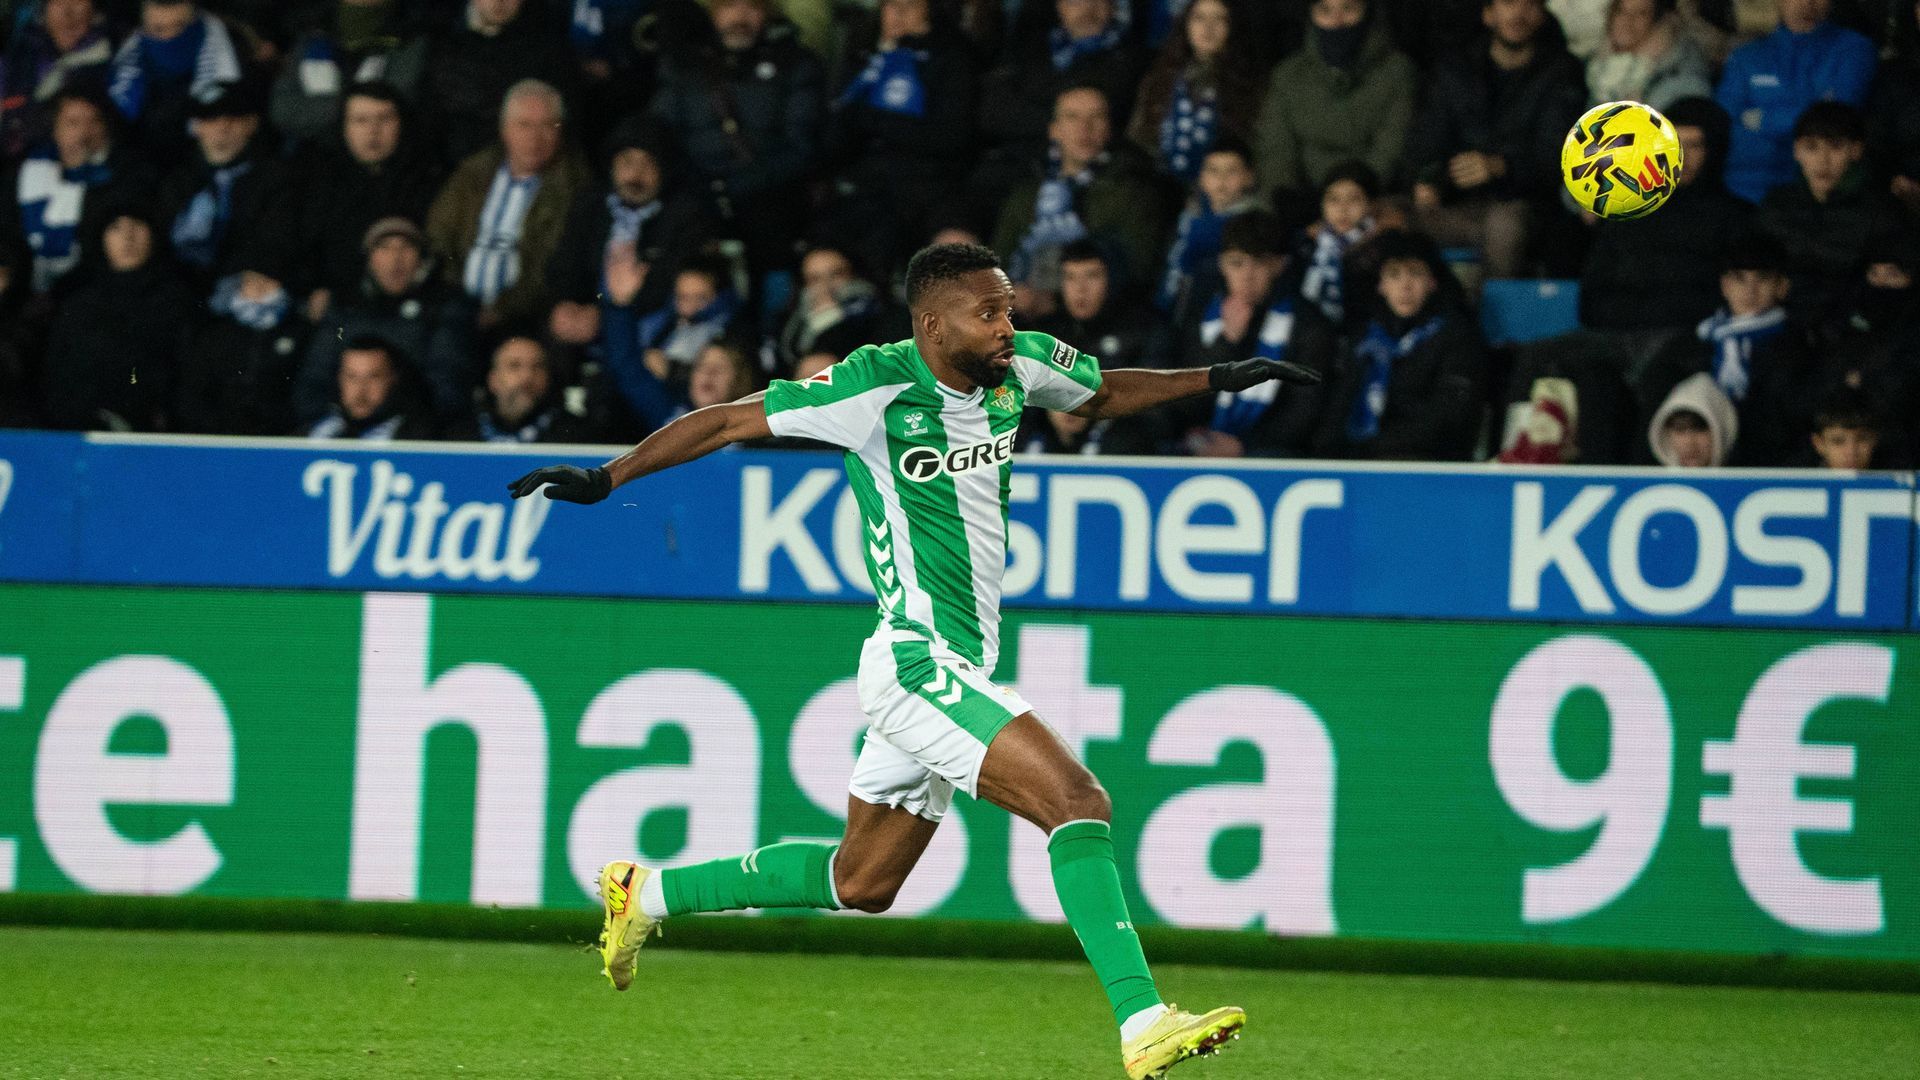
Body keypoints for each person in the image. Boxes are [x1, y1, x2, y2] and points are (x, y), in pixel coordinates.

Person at [507, 240, 1323, 1080]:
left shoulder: (1020, 366)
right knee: (1077, 802)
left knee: (863, 881)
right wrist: (609, 477)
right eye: (989, 313)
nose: (1010, 326)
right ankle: (1143, 1020)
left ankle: (645, 893)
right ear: (933, 326)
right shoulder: (874, 385)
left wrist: (1219, 377)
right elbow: (725, 419)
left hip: (958, 663)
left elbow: (1105, 392)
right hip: (915, 662)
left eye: (1009, 308)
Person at [1405, 0, 1588, 279]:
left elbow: (1557, 155)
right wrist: (1428, 178)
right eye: (1509, 3)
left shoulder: (1562, 73)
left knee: (1504, 225)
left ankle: (1494, 320)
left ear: (1541, 15)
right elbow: (1426, 138)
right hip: (1455, 202)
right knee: (1381, 216)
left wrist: (1501, 166)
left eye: (1530, 5)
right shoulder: (1456, 68)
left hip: (1526, 207)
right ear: (1488, 14)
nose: (1518, 13)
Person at [648, 0, 824, 277]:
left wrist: (742, 183)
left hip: (767, 191)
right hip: (695, 192)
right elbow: (661, 135)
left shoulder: (796, 63)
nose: (740, 17)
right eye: (729, 5)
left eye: (752, 7)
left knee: (775, 236)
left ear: (767, 13)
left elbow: (802, 145)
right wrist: (699, 184)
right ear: (714, 12)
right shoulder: (684, 64)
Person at [819, 0, 978, 279]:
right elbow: (834, 136)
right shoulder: (862, 57)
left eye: (909, 6)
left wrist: (874, 120)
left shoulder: (952, 57)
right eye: (892, 6)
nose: (898, 15)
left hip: (930, 184)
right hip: (865, 182)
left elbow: (949, 137)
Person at [426, 78, 590, 330]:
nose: (536, 138)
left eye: (547, 126)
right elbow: (439, 236)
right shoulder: (474, 173)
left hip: (526, 315)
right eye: (524, 125)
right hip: (458, 304)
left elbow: (551, 266)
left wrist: (503, 309)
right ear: (504, 129)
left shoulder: (575, 186)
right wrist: (455, 295)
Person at [1168, 210, 1334, 457]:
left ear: (1279, 265)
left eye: (1259, 263)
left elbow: (1304, 411)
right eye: (1237, 263)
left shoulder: (1308, 325)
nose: (1247, 276)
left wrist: (1245, 447)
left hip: (1269, 454)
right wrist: (1226, 343)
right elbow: (1181, 402)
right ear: (1222, 265)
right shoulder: (1200, 314)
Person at [1578, 96, 1750, 332]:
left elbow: (1732, 302)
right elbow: (1592, 298)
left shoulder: (1737, 218)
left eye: (1694, 145)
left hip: (1691, 344)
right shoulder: (1627, 211)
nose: (1681, 156)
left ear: (1715, 150)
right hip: (1618, 340)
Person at [992, 85, 1165, 319]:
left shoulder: (1134, 192)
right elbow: (996, 262)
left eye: (1096, 117)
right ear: (1054, 130)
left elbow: (1137, 271)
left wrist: (1057, 302)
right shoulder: (1026, 195)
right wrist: (1012, 296)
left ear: (1109, 128)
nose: (1085, 128)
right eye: (1072, 117)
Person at [1314, 229, 1488, 459]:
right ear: (1381, 286)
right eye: (1394, 275)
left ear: (1432, 282)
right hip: (1357, 460)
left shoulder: (1457, 335)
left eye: (1415, 274)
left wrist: (1374, 449)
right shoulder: (1364, 337)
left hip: (1424, 462)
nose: (1405, 286)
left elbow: (1449, 416)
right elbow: (1338, 405)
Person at [546, 114, 710, 348]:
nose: (635, 175)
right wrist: (566, 305)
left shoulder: (685, 216)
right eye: (627, 162)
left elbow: (672, 287)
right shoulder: (591, 206)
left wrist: (607, 315)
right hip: (584, 324)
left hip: (646, 330)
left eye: (647, 164)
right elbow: (564, 266)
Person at [298, 216, 477, 423]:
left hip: (413, 428)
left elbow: (447, 383)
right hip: (347, 424)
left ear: (422, 257)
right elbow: (314, 379)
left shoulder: (446, 305)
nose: (395, 259)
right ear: (370, 258)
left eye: (406, 247)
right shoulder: (344, 306)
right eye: (384, 247)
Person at [38, 200, 193, 431]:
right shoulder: (78, 304)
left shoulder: (180, 300)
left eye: (137, 226)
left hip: (155, 436)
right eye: (116, 228)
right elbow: (57, 379)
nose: (128, 238)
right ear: (101, 238)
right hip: (80, 434)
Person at [296, 81, 444, 314]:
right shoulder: (318, 178)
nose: (373, 131)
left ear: (401, 124)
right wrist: (316, 286)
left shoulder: (430, 178)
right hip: (338, 304)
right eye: (361, 120)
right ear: (344, 127)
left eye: (384, 119)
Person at [1254, 0, 1417, 203]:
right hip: (1302, 199)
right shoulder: (1289, 74)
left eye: (1348, 9)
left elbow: (1390, 148)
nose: (1336, 21)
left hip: (1370, 199)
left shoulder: (1396, 72)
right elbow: (1276, 148)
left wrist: (1346, 200)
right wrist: (1285, 199)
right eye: (1325, 10)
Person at [1715, 0, 1875, 205]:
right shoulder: (1747, 57)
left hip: (1819, 189)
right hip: (1743, 189)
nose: (1806, 3)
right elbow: (1724, 122)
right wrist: (1807, 109)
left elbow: (1835, 118)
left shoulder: (1854, 50)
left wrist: (1763, 120)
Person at [153, 77, 297, 294]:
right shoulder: (177, 182)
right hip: (180, 289)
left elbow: (274, 243)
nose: (222, 128)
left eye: (233, 118)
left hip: (249, 286)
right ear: (197, 127)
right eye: (211, 119)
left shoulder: (276, 179)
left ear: (252, 123)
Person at [1756, 101, 1898, 321]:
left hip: (1852, 327)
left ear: (1856, 150)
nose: (1823, 160)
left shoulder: (1881, 209)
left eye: (1835, 147)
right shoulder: (1777, 204)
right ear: (1796, 151)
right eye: (1811, 147)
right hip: (1778, 323)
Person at [11, 88, 152, 297]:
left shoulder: (127, 174)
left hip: (96, 289)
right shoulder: (27, 169)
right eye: (73, 123)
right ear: (55, 130)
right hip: (33, 288)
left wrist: (78, 174)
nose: (84, 133)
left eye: (94, 121)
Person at [421, 0, 578, 166]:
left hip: (522, 170)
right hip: (448, 168)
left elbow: (567, 123)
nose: (499, 2)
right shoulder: (446, 46)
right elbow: (427, 116)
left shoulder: (550, 52)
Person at [1126, 0, 1265, 183]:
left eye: (1219, 19)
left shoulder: (1251, 85)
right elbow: (1138, 140)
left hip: (1224, 191)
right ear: (1185, 25)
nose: (1208, 28)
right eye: (1199, 18)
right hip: (1159, 188)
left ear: (1233, 27)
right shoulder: (1158, 79)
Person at [173, 252, 308, 435]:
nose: (260, 290)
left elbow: (304, 390)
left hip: (278, 436)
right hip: (217, 437)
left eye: (268, 282)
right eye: (251, 283)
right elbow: (192, 394)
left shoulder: (299, 333)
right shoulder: (215, 335)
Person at [268, 0, 430, 149]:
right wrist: (352, 110)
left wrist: (317, 110)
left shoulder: (408, 39)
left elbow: (389, 105)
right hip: (314, 158)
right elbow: (283, 111)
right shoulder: (313, 36)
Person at [107, 0, 243, 168]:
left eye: (179, 26)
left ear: (195, 22)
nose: (169, 37)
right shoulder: (125, 69)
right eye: (159, 29)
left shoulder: (232, 58)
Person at [0, 0, 117, 162]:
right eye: (57, 2)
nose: (68, 13)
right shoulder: (17, 60)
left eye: (77, 2)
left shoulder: (114, 60)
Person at [1158, 138, 1262, 318]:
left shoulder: (1253, 223)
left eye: (1232, 171)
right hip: (1171, 305)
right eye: (1213, 171)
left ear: (1249, 177)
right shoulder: (1190, 214)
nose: (1221, 180)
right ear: (1201, 177)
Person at [1035, 239, 1160, 373]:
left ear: (1112, 279)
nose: (1080, 288)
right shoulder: (1046, 335)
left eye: (1092, 276)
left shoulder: (1145, 332)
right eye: (1070, 277)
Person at [449, 331, 595, 442]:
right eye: (514, 366)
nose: (527, 376)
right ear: (493, 380)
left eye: (537, 367)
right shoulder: (461, 435)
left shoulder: (576, 436)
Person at [1295, 160, 1382, 327]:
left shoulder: (1380, 247)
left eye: (1354, 199)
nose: (1342, 208)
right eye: (1333, 199)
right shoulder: (1307, 243)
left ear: (1371, 204)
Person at [1583, 0, 1712, 110]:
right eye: (1621, 11)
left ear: (1658, 22)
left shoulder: (1681, 74)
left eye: (1641, 14)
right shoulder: (1596, 67)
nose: (1627, 21)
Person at [306, 333, 436, 439]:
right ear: (339, 379)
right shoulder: (309, 433)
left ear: (393, 379)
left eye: (373, 377)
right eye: (352, 377)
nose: (361, 390)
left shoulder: (420, 439)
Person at [1647, 370, 1737, 466]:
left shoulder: (1746, 478)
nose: (1689, 442)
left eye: (1699, 429)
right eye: (1680, 429)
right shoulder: (1646, 480)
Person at [1802, 390, 1883, 469]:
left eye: (1862, 439)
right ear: (1819, 444)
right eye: (1838, 441)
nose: (1851, 452)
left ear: (1875, 439)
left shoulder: (1893, 479)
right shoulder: (1800, 481)